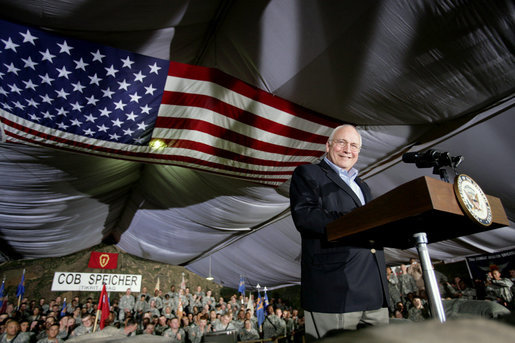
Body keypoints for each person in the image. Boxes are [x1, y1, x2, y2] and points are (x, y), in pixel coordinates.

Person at [289, 124, 389, 340]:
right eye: (342, 142)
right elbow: (306, 217)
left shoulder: (363, 186)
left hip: (374, 292)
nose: (347, 149)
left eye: (354, 145)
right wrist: (356, 220)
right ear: (328, 145)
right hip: (335, 290)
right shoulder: (308, 173)